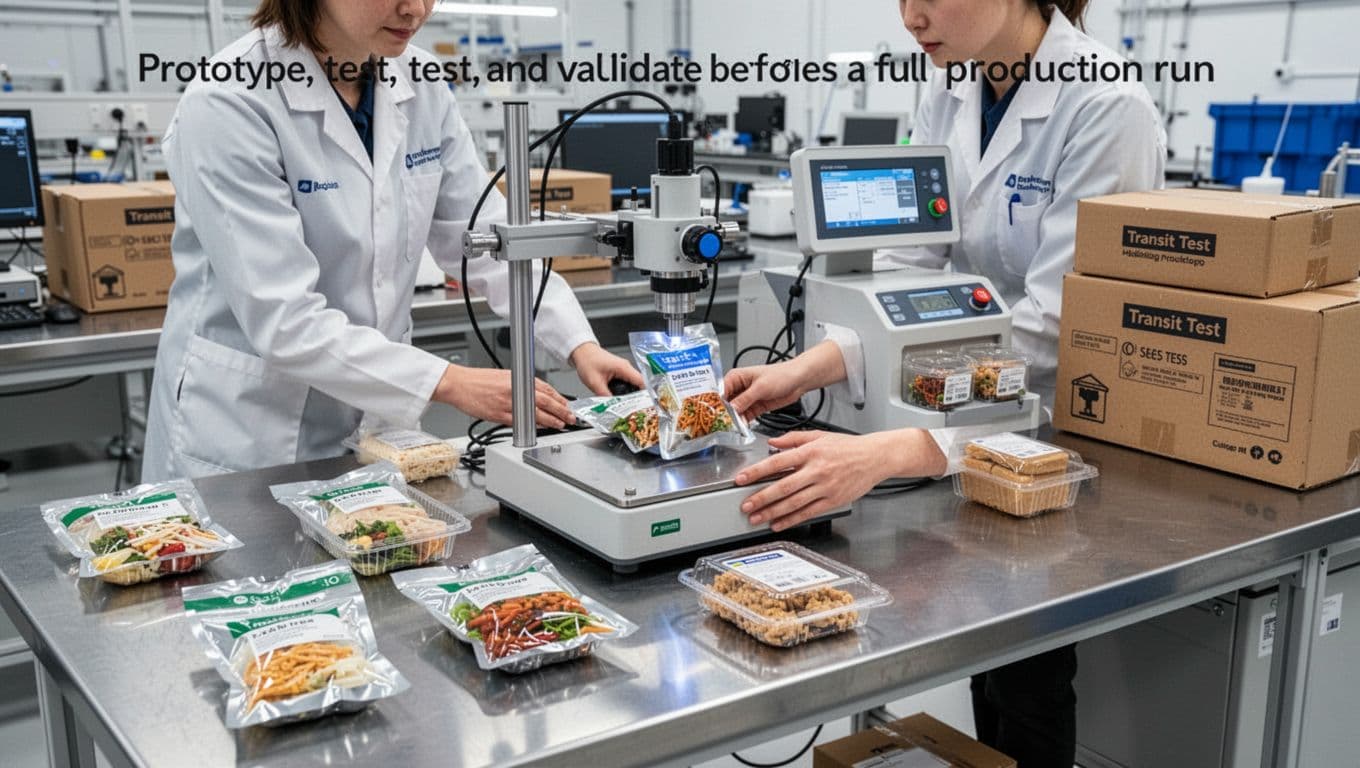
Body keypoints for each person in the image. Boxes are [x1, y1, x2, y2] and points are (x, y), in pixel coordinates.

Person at [724, 1, 1165, 766]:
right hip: (955, 417)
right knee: (977, 650)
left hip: (1051, 436)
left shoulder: (1105, 105)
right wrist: (809, 368)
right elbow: (914, 273)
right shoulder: (952, 84)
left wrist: (896, 452)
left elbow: (1054, 329)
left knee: (1027, 670)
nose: (911, 16)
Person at [142, 0, 641, 482]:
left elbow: (489, 239)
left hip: (377, 424)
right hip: (252, 430)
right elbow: (284, 319)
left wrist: (580, 345)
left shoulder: (420, 85)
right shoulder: (231, 99)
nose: (416, 9)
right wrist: (449, 381)